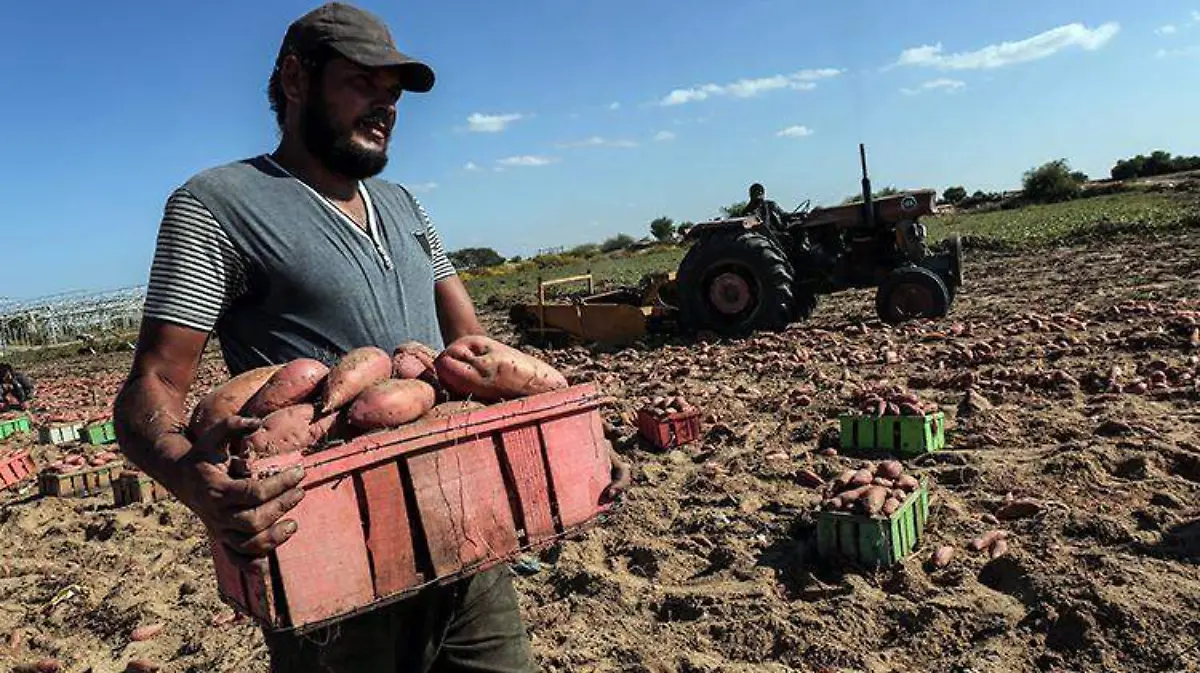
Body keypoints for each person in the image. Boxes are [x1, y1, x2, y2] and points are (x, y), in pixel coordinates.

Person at [111, 4, 630, 672]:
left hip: (467, 533)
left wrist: (579, 439)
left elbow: (477, 352)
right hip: (331, 561)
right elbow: (152, 382)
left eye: (392, 97)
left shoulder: (406, 207)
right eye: (362, 85)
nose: (385, 108)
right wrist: (193, 481)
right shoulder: (218, 204)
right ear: (296, 80)